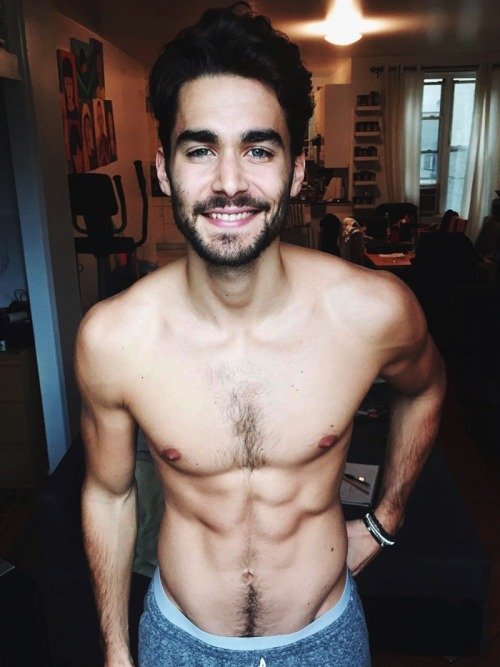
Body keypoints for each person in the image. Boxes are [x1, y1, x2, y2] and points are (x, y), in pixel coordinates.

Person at [76, 6, 445, 667]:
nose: (229, 182)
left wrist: (385, 520)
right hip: (181, 641)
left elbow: (426, 389)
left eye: (258, 149)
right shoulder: (115, 339)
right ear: (163, 169)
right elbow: (109, 492)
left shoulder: (372, 311)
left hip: (324, 637)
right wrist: (115, 649)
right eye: (200, 149)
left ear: (296, 170)